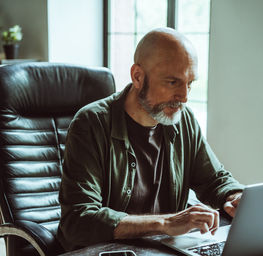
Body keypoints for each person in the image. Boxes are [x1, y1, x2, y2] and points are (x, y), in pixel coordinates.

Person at [57, 27, 244, 251]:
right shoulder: (91, 124)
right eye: (173, 83)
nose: (184, 97)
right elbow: (79, 219)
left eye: (190, 83)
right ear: (137, 76)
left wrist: (236, 196)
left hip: (161, 250)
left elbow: (214, 180)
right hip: (111, 251)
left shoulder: (183, 120)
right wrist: (166, 223)